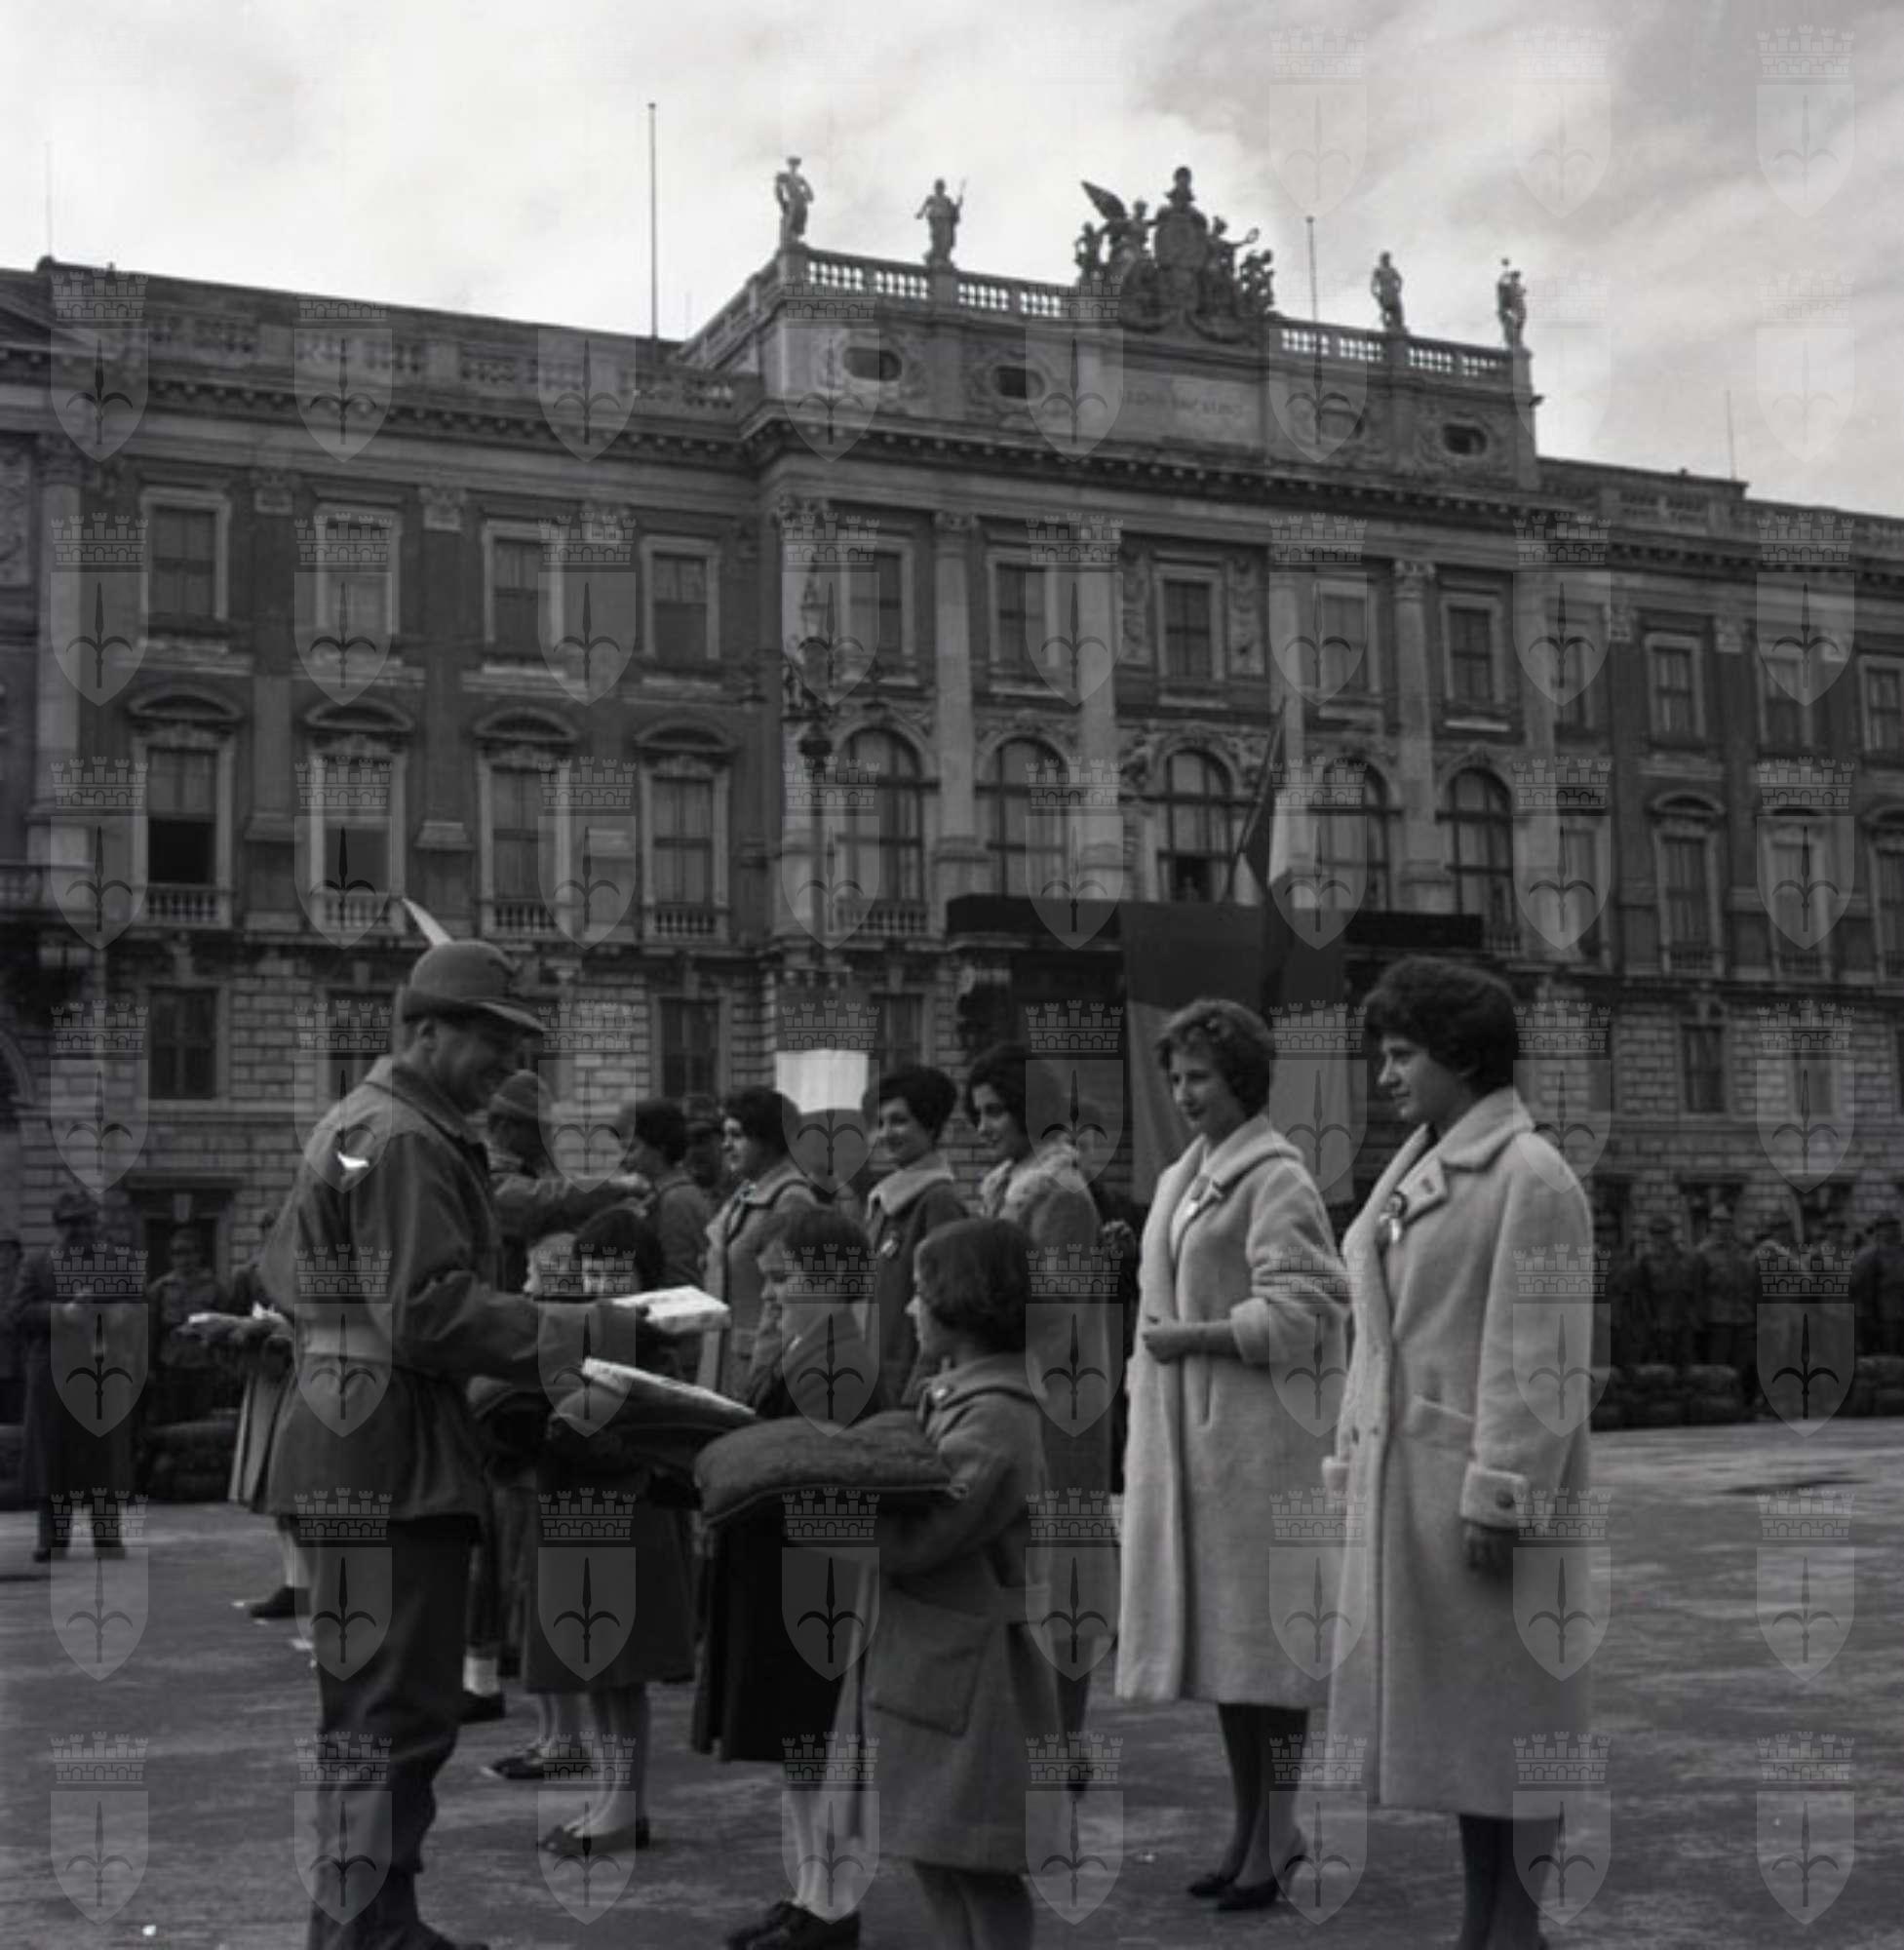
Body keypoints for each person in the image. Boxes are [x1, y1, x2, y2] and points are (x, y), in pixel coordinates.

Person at [262, 938, 644, 1950]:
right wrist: (596, 1331)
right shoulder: (405, 1139)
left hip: (355, 1447)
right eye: (489, 1039)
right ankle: (364, 1934)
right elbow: (427, 1310)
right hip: (389, 1459)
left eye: (517, 1043)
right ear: (424, 1029)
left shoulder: (364, 1123)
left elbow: (283, 1270)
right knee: (395, 1715)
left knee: (372, 1716)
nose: (506, 1063)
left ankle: (374, 1923)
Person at [1328, 957, 1593, 1950]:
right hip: (1416, 1485)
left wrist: (1501, 1492)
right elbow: (1381, 1337)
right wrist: (1353, 1456)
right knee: (1463, 1728)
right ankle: (1480, 1920)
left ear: (1463, 1056)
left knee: (1513, 1723)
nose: (1385, 1075)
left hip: (1485, 1493)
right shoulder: (1421, 1165)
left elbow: (1543, 1352)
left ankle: (1516, 1926)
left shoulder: (1532, 1175)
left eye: (1402, 1055)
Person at [1118, 997, 1349, 1914]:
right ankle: (1250, 1827)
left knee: (1269, 1657)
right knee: (1229, 1658)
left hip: (1262, 1453)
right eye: (1175, 1079)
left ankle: (1277, 1830)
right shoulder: (1188, 1175)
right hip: (1201, 1453)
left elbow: (1309, 1308)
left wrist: (1197, 1338)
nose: (1184, 1095)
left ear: (1242, 1080)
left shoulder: (1276, 1178)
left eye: (1200, 1078)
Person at [831, 1217, 1058, 1950]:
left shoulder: (995, 1418)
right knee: (934, 1852)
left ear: (963, 1303)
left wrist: (826, 1512)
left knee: (979, 1863)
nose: (908, 1307)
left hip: (976, 1678)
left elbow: (924, 1536)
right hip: (934, 1665)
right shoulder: (956, 1396)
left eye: (921, 1293)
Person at [703, 1208, 889, 1950]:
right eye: (770, 1279)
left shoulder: (837, 1361)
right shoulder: (802, 1351)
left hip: (815, 1578)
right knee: (799, 1750)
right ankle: (809, 1890)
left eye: (785, 1278)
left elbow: (822, 1472)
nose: (773, 1294)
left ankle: (834, 1906)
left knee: (821, 1748)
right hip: (784, 1567)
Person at [530, 1205, 696, 1858]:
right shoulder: (578, 1334)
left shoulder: (655, 1342)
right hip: (587, 1509)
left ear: (646, 1274)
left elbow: (655, 1434)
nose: (601, 1282)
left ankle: (626, 1806)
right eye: (592, 1270)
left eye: (616, 1270)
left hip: (631, 1514)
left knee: (623, 1672)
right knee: (598, 1671)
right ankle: (610, 1797)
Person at [966, 1040, 1112, 1736]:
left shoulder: (1059, 1193)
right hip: (1024, 1391)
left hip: (1059, 1403)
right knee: (1029, 1570)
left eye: (996, 1111)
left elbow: (1057, 1308)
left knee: (1063, 1578)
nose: (983, 1127)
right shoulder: (1010, 1186)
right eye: (977, 1114)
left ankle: (1064, 1738)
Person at [9, 1190, 139, 1562]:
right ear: (58, 1226)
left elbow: (138, 1305)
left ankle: (107, 1536)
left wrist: (119, 1314)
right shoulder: (37, 1265)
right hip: (52, 1375)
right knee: (52, 1456)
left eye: (86, 1222)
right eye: (71, 1224)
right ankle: (53, 1538)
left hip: (102, 1372)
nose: (81, 1231)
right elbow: (17, 1313)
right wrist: (61, 1313)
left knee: (104, 1456)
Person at [704, 1088, 819, 1395]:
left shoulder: (790, 1200)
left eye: (737, 1135)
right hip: (724, 1360)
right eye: (725, 1135)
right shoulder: (745, 1194)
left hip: (758, 1367)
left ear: (768, 1140)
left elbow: (787, 1299)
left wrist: (762, 1378)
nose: (725, 1145)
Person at [223, 1205, 308, 1619]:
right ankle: (295, 1582)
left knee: (293, 1489)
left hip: (301, 1382)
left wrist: (279, 1329)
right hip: (267, 1382)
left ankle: (303, 1585)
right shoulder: (251, 1274)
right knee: (275, 1492)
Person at [865, 1066, 967, 1405]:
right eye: (881, 1123)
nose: (886, 1134)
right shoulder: (883, 1201)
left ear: (931, 1125)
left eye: (899, 1121)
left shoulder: (938, 1202)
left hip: (904, 1385)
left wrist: (916, 1394)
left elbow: (942, 1306)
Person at [616, 1097, 715, 1290]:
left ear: (660, 1147)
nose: (623, 1159)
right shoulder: (661, 1194)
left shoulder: (675, 1201)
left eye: (632, 1148)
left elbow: (679, 1279)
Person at [147, 1223, 232, 1425]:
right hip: (171, 1364)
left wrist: (224, 1366)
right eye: (178, 1253)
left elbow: (226, 1329)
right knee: (171, 1422)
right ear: (171, 1257)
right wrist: (149, 1367)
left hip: (204, 1364)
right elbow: (150, 1331)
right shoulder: (160, 1288)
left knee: (202, 1422)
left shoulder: (215, 1288)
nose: (184, 1259)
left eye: (190, 1252)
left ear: (199, 1255)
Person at [1692, 1203, 1758, 1377]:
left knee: (1743, 1367)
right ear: (1711, 1225)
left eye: (1726, 1222)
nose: (1722, 1227)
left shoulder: (1740, 1250)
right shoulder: (1703, 1253)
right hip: (1717, 1320)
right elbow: (1698, 1290)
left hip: (1742, 1318)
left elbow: (1750, 1283)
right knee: (1719, 1368)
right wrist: (1700, 1320)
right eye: (1718, 1222)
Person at [1629, 1213, 1700, 1368]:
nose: (1660, 1237)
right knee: (1660, 1367)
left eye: (1664, 1232)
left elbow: (1694, 1291)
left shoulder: (1685, 1259)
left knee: (1685, 1366)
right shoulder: (1646, 1262)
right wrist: (1649, 1322)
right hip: (1658, 1323)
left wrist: (1693, 1317)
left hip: (1683, 1322)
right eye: (1655, 1233)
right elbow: (1642, 1296)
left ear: (1671, 1234)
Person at [1851, 1211, 1904, 1356]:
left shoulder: (1901, 1251)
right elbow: (1855, 1285)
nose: (1893, 1230)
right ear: (1878, 1231)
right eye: (1887, 1227)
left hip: (1897, 1313)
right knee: (1889, 1356)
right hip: (1884, 1318)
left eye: (1895, 1226)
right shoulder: (1867, 1256)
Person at [915, 177, 963, 266]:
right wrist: (920, 213)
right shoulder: (931, 198)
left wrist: (959, 204)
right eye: (938, 187)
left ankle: (943, 258)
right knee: (937, 240)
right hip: (936, 221)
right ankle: (935, 257)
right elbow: (924, 207)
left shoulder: (947, 200)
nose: (940, 189)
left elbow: (953, 210)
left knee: (947, 241)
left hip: (946, 222)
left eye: (941, 187)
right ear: (935, 188)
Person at [776, 156, 814, 248]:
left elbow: (809, 192)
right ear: (789, 165)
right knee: (792, 220)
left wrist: (806, 196)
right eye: (792, 164)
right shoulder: (785, 176)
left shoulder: (800, 178)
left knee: (800, 219)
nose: (794, 167)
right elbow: (778, 188)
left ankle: (795, 239)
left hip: (800, 201)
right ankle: (792, 239)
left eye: (796, 165)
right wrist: (782, 202)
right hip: (792, 201)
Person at [1372, 250, 1406, 333]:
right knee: (1386, 310)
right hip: (1384, 292)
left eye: (1388, 258)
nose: (1387, 260)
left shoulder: (1392, 270)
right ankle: (1387, 326)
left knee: (1398, 310)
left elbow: (1400, 279)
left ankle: (1399, 326)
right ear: (1382, 260)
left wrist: (1398, 288)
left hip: (1393, 292)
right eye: (1386, 258)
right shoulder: (1378, 270)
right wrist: (1375, 293)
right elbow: (1373, 283)